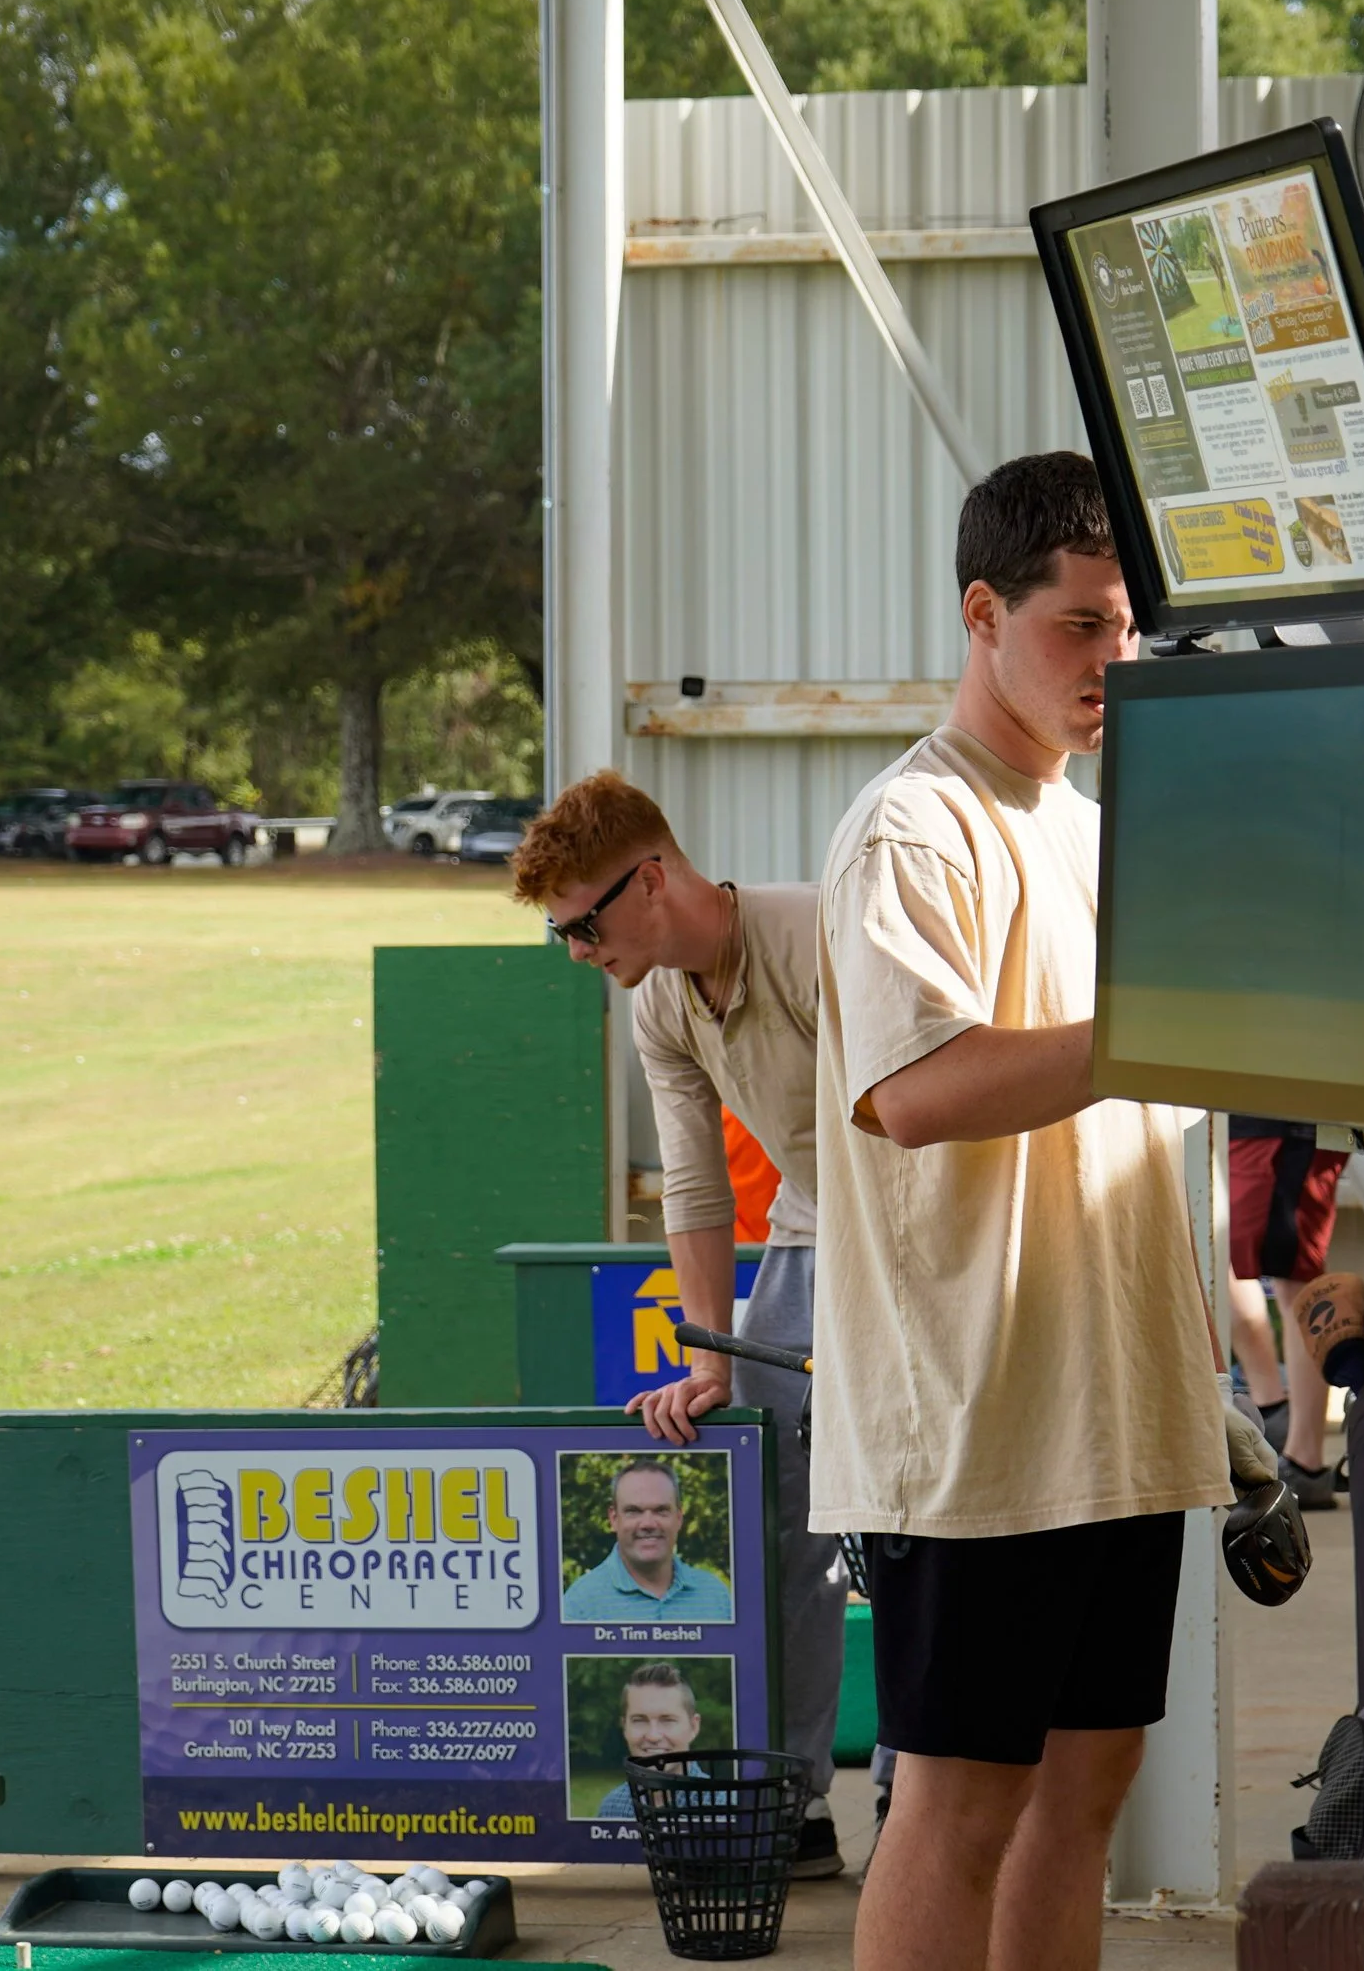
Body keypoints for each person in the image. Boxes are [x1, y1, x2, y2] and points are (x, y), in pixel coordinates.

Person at [809, 451, 1277, 1971]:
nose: (1112, 660)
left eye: (1126, 625)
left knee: (1087, 1791)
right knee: (957, 1802)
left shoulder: (1093, 822)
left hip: (1119, 1401)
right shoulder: (914, 828)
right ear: (982, 613)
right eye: (1078, 626)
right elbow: (919, 1084)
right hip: (980, 1418)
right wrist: (1161, 1023)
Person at [514, 775, 848, 1877]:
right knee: (780, 1530)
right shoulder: (657, 999)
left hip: (928, 1229)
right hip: (808, 1230)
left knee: (918, 1540)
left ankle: (924, 1797)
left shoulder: (813, 936)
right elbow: (697, 1190)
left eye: (583, 922)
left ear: (651, 876)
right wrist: (709, 1353)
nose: (574, 949)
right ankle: (792, 1801)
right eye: (561, 930)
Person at [1226, 1116, 1352, 1510]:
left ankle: (1306, 1462)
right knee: (1214, 1249)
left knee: (1299, 1275)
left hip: (1289, 1115)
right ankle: (1272, 1409)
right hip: (1238, 1105)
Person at [560, 1460, 735, 1623]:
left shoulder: (715, 1596)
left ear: (679, 1518)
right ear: (614, 1519)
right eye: (633, 1511)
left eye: (661, 1510)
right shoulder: (579, 1604)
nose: (648, 1524)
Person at [593, 1662, 706, 1819]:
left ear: (694, 1727)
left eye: (667, 1720)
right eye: (639, 1720)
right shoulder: (611, 1807)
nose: (653, 1736)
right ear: (624, 1727)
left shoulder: (726, 1806)